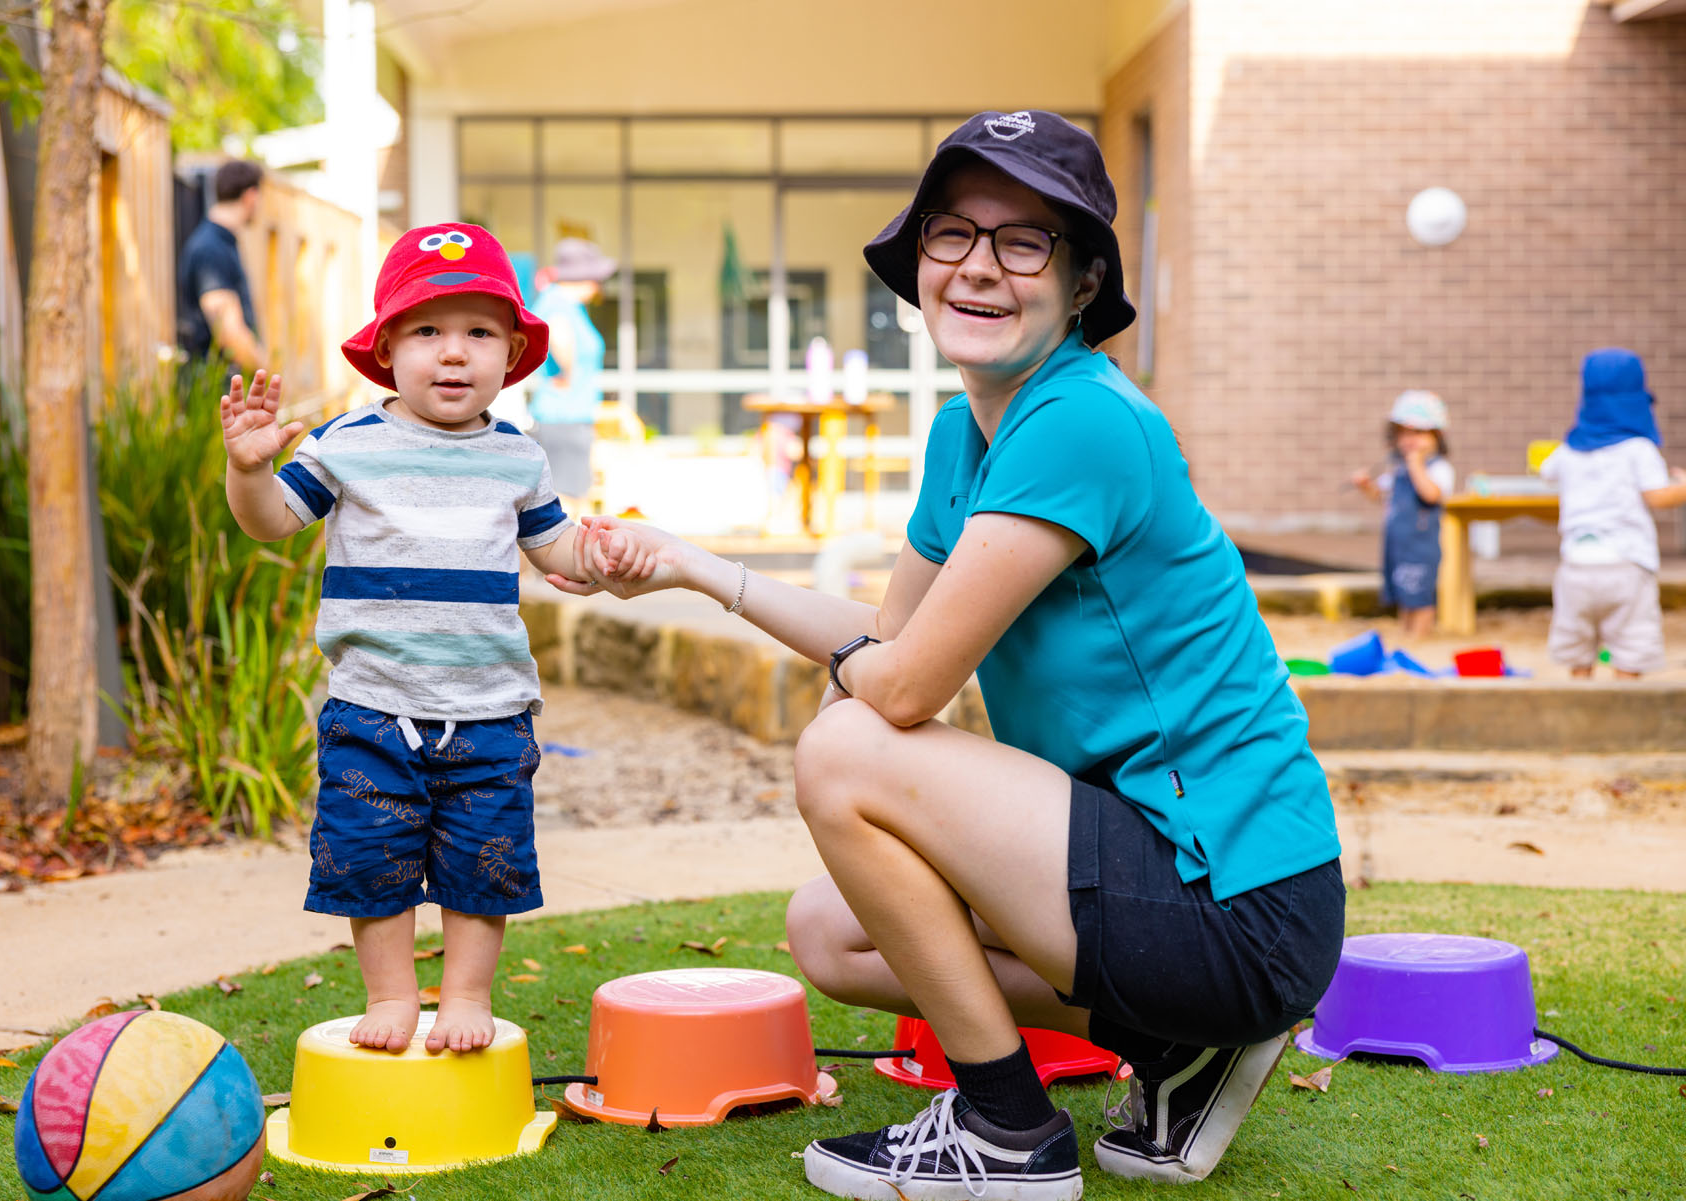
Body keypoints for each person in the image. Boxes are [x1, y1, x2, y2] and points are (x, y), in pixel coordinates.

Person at [562, 111, 1344, 1200]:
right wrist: (697, 566)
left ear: (1080, 287)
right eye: (952, 235)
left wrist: (869, 674)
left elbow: (908, 683)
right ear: (922, 262)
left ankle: (1006, 1127)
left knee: (844, 752)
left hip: (1238, 902)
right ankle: (1185, 1047)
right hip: (1167, 880)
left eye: (1025, 241)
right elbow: (888, 646)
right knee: (830, 936)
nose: (980, 265)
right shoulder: (965, 432)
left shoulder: (1082, 420)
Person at [219, 222, 622, 1056]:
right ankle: (394, 993)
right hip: (373, 708)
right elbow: (268, 525)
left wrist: (603, 551)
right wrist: (249, 470)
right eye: (428, 331)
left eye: (479, 333)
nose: (453, 353)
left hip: (490, 711)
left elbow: (558, 556)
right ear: (386, 348)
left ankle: (465, 993)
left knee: (485, 863)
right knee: (374, 862)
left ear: (511, 353)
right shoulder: (345, 444)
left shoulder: (520, 455)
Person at [1540, 348, 1686, 678]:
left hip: (1575, 566)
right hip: (1626, 564)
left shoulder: (1569, 450)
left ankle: (1581, 700)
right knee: (1631, 647)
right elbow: (1659, 497)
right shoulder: (1638, 449)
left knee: (1578, 648)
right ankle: (1626, 700)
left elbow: (1547, 471)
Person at [1350, 390, 1456, 639]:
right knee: (1404, 594)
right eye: (1404, 433)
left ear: (1437, 436)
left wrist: (1415, 464)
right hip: (1397, 545)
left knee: (1420, 595)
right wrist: (1367, 486)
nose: (1409, 440)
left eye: (1418, 433)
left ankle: (1420, 637)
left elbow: (1431, 494)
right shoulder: (1397, 470)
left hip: (1421, 547)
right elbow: (1382, 496)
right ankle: (1406, 634)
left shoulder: (1438, 468)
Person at [528, 237, 616, 513]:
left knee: (573, 495)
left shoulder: (563, 303)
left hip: (569, 414)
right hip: (564, 415)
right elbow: (559, 337)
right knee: (567, 500)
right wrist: (569, 371)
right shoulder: (558, 302)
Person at [179, 160, 266, 373]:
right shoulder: (211, 248)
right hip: (219, 395)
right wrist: (268, 373)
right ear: (250, 195)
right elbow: (229, 334)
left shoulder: (222, 243)